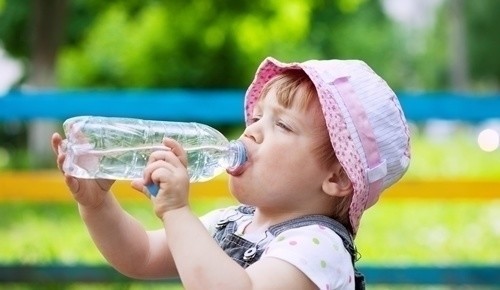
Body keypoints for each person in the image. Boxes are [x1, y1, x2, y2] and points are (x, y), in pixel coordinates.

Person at [51, 57, 411, 290]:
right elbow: (141, 255)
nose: (251, 132)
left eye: (282, 126)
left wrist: (177, 213)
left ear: (336, 177)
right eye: (256, 118)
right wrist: (97, 205)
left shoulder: (319, 247)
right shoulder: (232, 222)